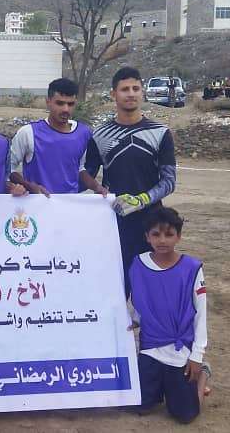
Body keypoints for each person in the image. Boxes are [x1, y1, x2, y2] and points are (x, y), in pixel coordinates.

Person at [83, 67, 176, 295]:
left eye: (136, 88)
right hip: (114, 223)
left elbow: (169, 181)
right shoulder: (100, 135)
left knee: (150, 290)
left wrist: (142, 199)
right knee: (115, 288)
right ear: (113, 94)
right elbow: (85, 175)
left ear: (142, 92)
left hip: (152, 225)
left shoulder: (160, 133)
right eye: (125, 89)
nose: (131, 93)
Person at [128, 206, 209, 424]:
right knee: (140, 406)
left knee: (185, 415)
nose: (162, 240)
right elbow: (140, 300)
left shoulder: (192, 268)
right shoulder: (138, 264)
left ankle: (203, 375)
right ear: (147, 237)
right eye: (156, 234)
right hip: (150, 346)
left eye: (169, 234)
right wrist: (134, 320)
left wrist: (197, 356)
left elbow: (200, 313)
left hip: (179, 349)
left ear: (178, 237)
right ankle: (159, 386)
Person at [9, 78, 105, 196]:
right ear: (48, 102)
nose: (66, 109)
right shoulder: (28, 133)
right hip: (38, 204)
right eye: (60, 103)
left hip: (69, 204)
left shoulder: (83, 133)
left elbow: (79, 168)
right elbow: (9, 168)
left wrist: (97, 187)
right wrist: (28, 186)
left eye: (70, 104)